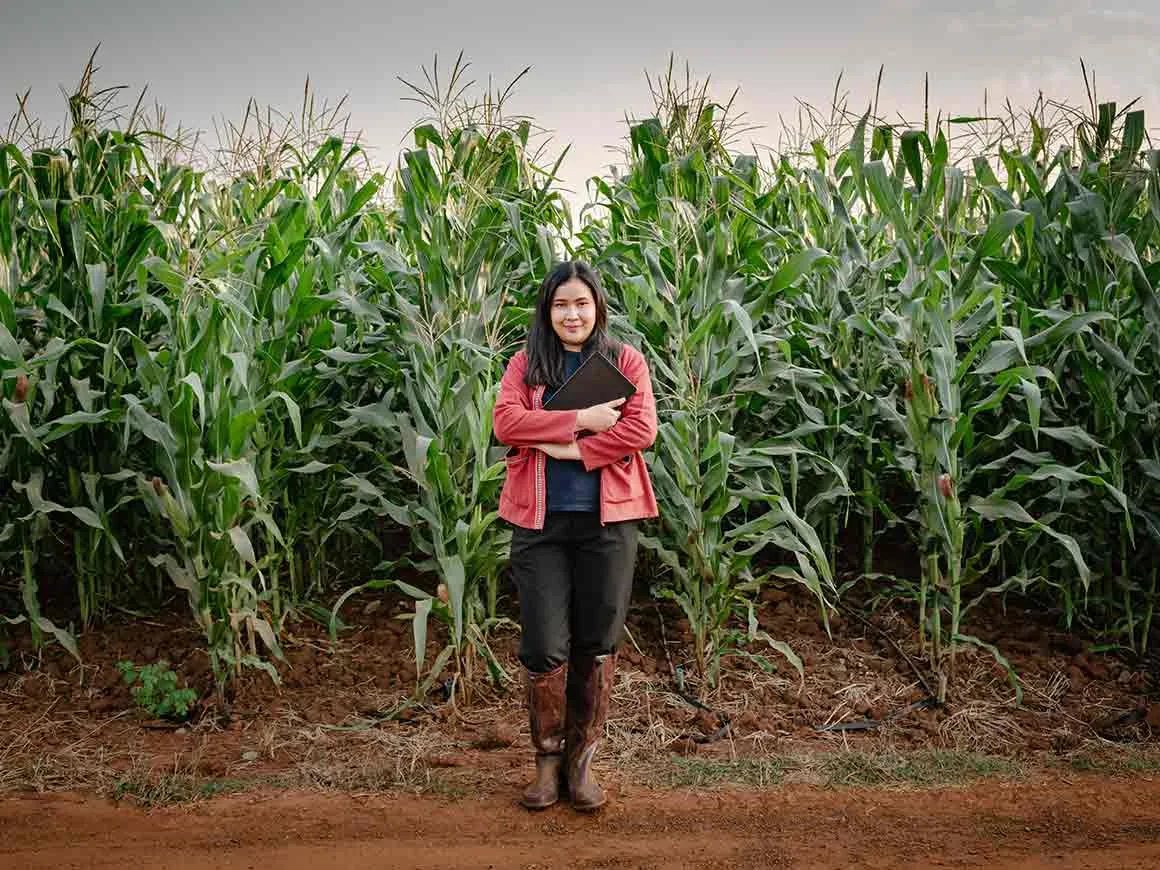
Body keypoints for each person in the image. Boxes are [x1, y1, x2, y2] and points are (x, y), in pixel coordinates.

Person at [493, 260, 658, 812]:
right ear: (547, 310)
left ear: (597, 308)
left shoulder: (624, 361)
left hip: (607, 522)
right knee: (544, 644)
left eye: (581, 304)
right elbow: (505, 423)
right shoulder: (526, 363)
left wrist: (572, 450)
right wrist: (581, 419)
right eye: (561, 304)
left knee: (597, 640)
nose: (571, 314)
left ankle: (580, 761)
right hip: (539, 523)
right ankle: (545, 760)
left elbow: (642, 428)